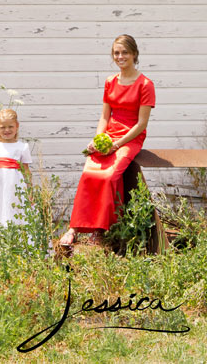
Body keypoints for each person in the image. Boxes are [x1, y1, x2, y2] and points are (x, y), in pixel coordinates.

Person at [60, 34, 155, 247]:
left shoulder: (145, 84)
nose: (120, 57)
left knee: (110, 177)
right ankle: (74, 228)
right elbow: (105, 116)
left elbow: (141, 124)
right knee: (89, 174)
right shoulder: (110, 82)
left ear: (134, 54)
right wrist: (98, 139)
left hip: (130, 138)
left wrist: (117, 144)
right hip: (109, 135)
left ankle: (99, 230)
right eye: (116, 53)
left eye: (124, 52)